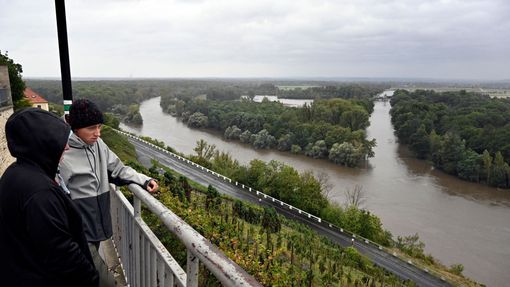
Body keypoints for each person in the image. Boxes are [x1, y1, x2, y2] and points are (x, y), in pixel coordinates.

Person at [59, 99, 158, 285]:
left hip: (96, 227)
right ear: (76, 127)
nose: (97, 133)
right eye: (91, 128)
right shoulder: (63, 152)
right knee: (101, 279)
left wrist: (145, 180)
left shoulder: (99, 145)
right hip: (78, 232)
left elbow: (119, 169)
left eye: (99, 127)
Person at [0, 108, 99, 287]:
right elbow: (62, 253)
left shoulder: (15, 173)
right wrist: (91, 279)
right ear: (42, 142)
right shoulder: (39, 192)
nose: (67, 146)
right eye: (60, 141)